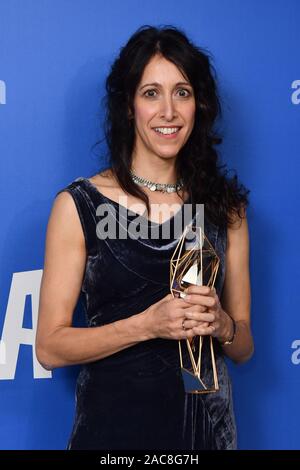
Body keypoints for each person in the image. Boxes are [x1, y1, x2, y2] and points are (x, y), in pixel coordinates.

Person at [36, 25, 254, 450]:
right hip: (111, 434)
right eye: (151, 92)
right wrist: (146, 325)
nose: (168, 111)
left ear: (201, 104)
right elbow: (49, 347)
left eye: (183, 92)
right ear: (128, 105)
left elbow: (244, 346)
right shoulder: (79, 206)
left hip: (204, 434)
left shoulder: (225, 209)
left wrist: (223, 324)